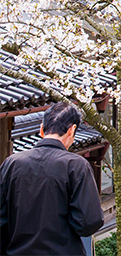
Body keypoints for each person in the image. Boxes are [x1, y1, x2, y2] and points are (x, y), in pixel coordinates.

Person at [0, 102, 103, 256]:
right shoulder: (75, 166)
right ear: (71, 130)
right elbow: (89, 222)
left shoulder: (12, 163)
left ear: (41, 129)